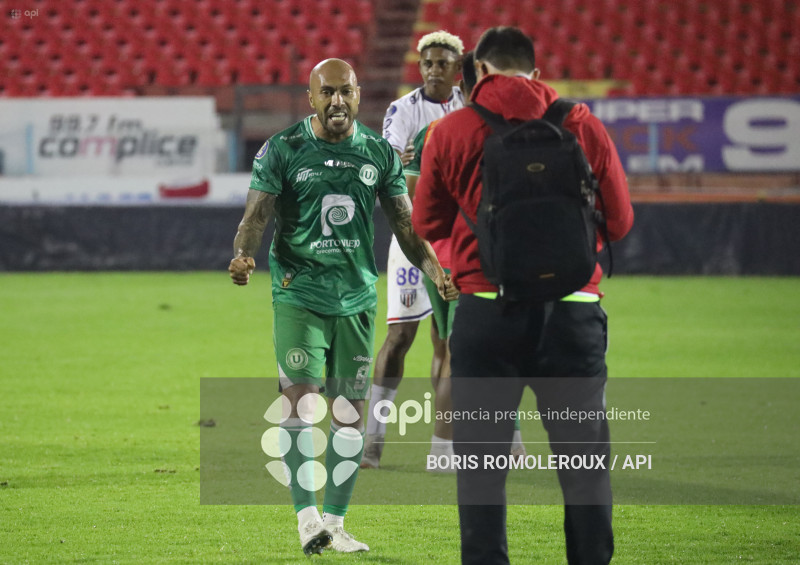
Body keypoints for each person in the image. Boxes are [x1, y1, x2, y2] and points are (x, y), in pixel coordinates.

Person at [412, 27, 634, 565]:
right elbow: (621, 222)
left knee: (482, 476)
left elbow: (427, 222)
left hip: (487, 316)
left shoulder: (451, 131)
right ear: (535, 74)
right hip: (574, 315)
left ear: (479, 72)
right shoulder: (582, 125)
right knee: (584, 472)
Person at [228, 58, 457, 556]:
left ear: (358, 96)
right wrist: (243, 254)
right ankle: (306, 519)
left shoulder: (377, 152)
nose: (337, 101)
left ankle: (335, 522)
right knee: (300, 401)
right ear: (311, 98)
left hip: (355, 298)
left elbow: (406, 227)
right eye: (327, 92)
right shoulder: (283, 149)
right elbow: (255, 216)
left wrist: (435, 269)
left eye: (346, 92)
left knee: (350, 416)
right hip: (299, 293)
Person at [362, 30, 466, 469]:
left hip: (457, 242)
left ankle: (441, 446)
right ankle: (373, 439)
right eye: (427, 63)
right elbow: (391, 175)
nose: (434, 70)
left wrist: (417, 170)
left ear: (458, 68)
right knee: (400, 335)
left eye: (443, 63)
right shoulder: (402, 110)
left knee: (448, 344)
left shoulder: (471, 107)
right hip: (412, 240)